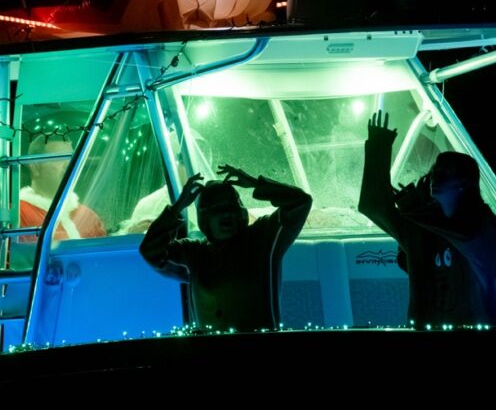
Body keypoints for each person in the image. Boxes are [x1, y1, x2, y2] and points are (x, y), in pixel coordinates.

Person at [358, 110, 496, 328]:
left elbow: (466, 237)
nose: (436, 177)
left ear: (464, 183)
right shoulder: (418, 227)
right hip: (425, 329)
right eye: (435, 171)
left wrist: (414, 210)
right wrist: (378, 146)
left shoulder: (483, 225)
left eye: (445, 173)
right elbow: (373, 205)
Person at [139, 164, 312, 332]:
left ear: (240, 212)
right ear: (204, 217)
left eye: (231, 207)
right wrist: (177, 208)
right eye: (217, 209)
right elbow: (151, 252)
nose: (227, 213)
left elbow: (300, 202)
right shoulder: (194, 254)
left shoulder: (263, 238)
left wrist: (255, 183)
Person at [19, 134, 106, 240]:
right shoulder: (18, 215)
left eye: (72, 159)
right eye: (60, 158)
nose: (69, 165)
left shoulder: (88, 216)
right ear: (35, 167)